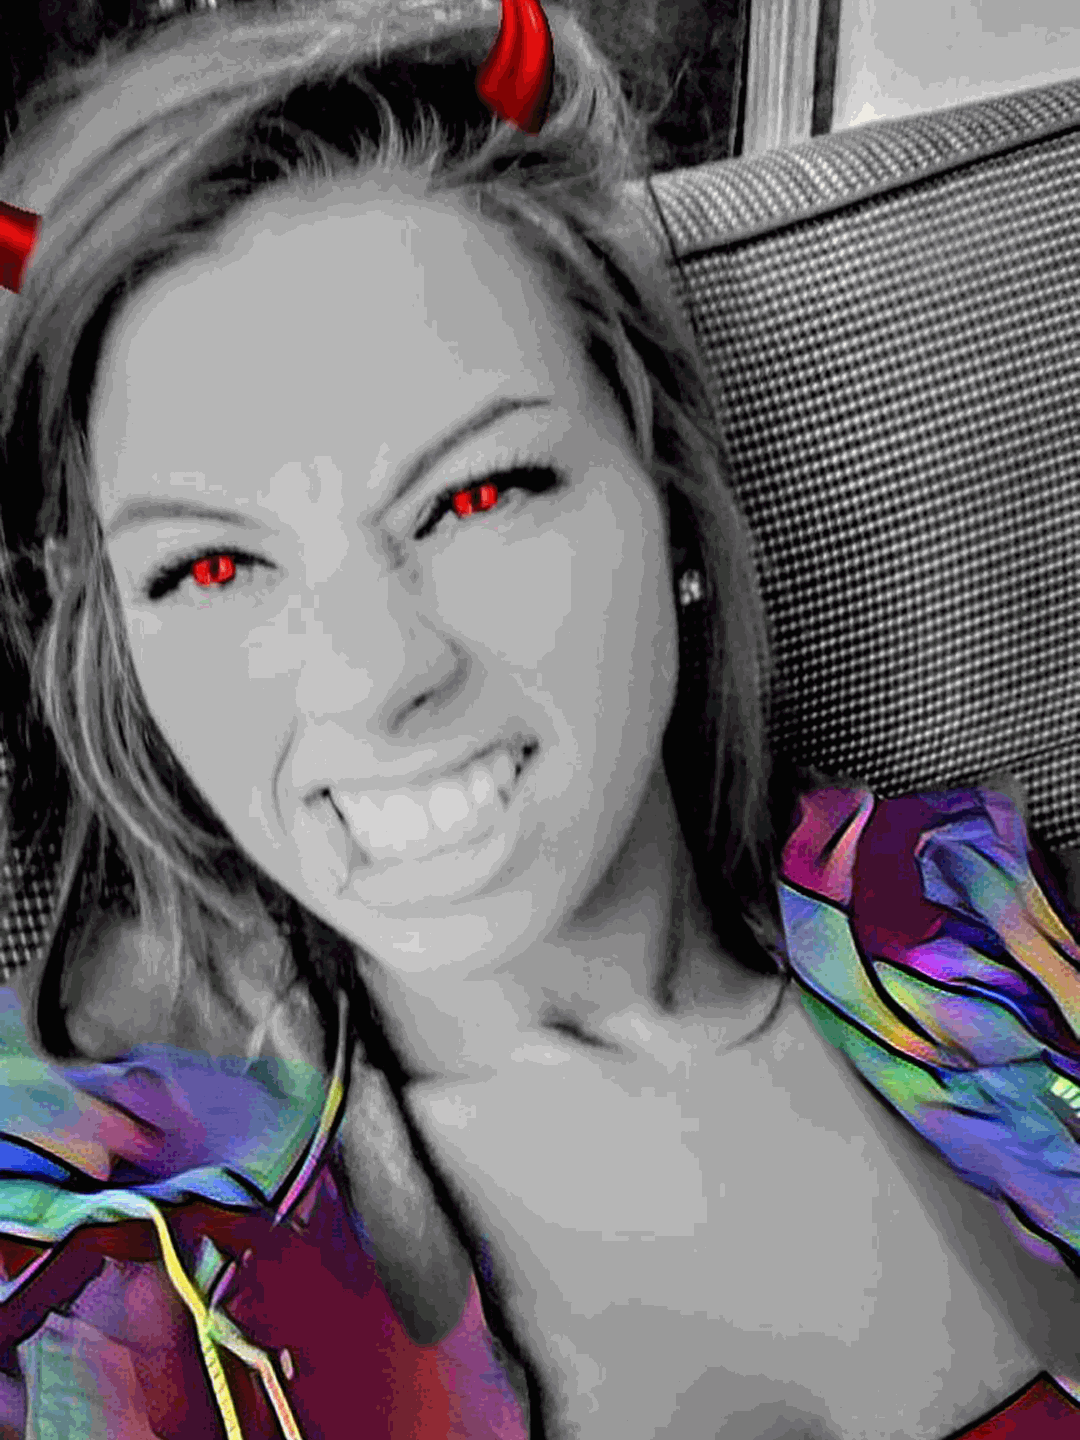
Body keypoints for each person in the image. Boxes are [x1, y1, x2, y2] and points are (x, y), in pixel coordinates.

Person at [2, 2, 1080, 1437]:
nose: (375, 675)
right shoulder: (106, 1244)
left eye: (477, 493)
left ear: (665, 489)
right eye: (209, 568)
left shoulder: (958, 913)